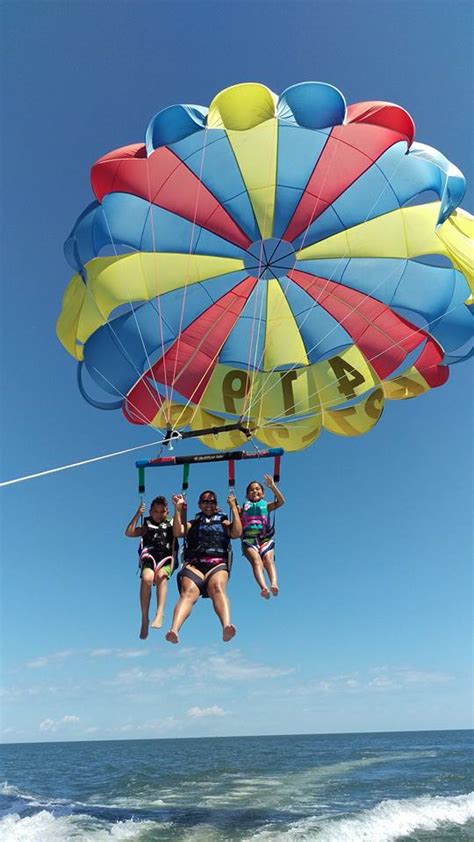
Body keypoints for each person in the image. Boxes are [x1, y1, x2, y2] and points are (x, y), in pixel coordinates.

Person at [165, 489, 242, 644]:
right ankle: (174, 629)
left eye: (212, 501)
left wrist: (234, 508)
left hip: (217, 564)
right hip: (195, 566)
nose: (209, 504)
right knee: (188, 593)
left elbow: (236, 533)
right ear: (199, 505)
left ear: (217, 504)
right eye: (205, 501)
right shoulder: (194, 523)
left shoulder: (223, 522)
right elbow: (178, 532)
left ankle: (226, 626)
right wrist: (177, 509)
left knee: (218, 587)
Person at [125, 496, 177, 640]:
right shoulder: (147, 524)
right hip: (149, 556)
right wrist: (137, 514)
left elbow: (180, 532)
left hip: (166, 558)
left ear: (167, 512)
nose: (159, 515)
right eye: (155, 511)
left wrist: (178, 509)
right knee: (147, 578)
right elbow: (129, 533)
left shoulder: (172, 523)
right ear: (150, 511)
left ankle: (160, 613)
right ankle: (144, 619)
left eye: (162, 512)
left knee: (161, 576)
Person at [240, 473, 285, 599]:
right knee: (256, 561)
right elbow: (235, 514)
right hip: (249, 539)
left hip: (265, 538)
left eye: (257, 489)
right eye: (251, 490)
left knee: (268, 560)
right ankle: (263, 587)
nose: (254, 491)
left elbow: (281, 501)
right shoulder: (243, 507)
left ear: (263, 493)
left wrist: (273, 486)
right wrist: (232, 505)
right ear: (247, 495)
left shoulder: (266, 505)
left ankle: (274, 583)